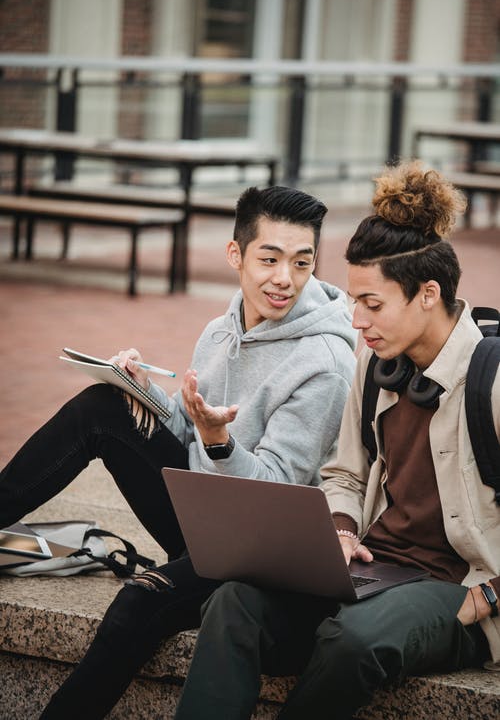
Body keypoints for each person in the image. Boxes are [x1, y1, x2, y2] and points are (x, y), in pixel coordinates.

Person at [1, 184, 357, 718]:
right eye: (270, 258)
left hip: (256, 553)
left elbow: (273, 493)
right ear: (236, 255)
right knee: (103, 405)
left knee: (139, 601)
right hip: (201, 514)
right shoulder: (221, 331)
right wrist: (145, 395)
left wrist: (218, 441)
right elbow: (192, 433)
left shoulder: (324, 363)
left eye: (301, 262)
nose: (285, 278)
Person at [173, 161, 500, 720]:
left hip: (460, 586)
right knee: (234, 601)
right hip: (376, 565)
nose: (356, 320)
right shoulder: (375, 365)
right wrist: (342, 530)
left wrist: (491, 598)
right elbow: (345, 474)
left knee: (353, 638)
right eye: (353, 301)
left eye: (372, 305)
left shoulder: (491, 379)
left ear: (428, 294)